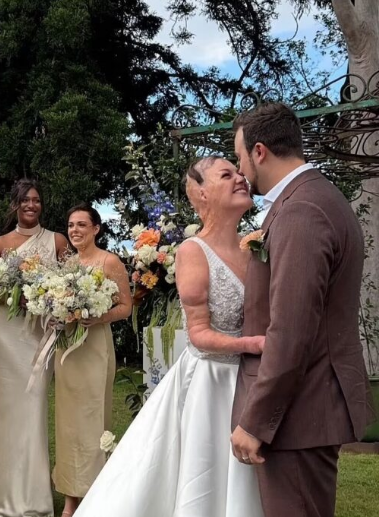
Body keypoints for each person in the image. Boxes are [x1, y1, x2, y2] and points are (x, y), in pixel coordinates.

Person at [73, 157, 265, 517]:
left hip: (249, 380)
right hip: (210, 384)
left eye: (239, 172)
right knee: (204, 475)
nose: (241, 178)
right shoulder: (193, 251)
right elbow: (200, 334)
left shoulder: (253, 248)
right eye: (227, 175)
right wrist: (254, 345)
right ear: (202, 194)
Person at [230, 102, 373, 517]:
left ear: (259, 152)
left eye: (239, 157)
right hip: (308, 407)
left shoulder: (301, 211)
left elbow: (291, 331)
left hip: (299, 412)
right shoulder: (314, 197)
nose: (240, 170)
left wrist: (257, 420)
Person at [0, 179, 68, 517]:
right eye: (25, 200)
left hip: (38, 335)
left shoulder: (57, 241)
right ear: (15, 205)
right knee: (5, 411)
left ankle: (35, 497)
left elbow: (69, 283)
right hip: (5, 334)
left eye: (37, 200)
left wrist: (45, 296)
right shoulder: (0, 243)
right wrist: (9, 290)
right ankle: (2, 494)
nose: (32, 205)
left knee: (33, 408)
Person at [52, 203, 132, 517]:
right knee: (68, 423)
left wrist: (99, 316)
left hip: (95, 347)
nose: (75, 230)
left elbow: (125, 307)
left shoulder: (109, 261)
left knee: (92, 418)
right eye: (71, 225)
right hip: (67, 348)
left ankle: (94, 492)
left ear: (96, 228)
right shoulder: (66, 264)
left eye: (82, 224)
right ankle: (70, 495)